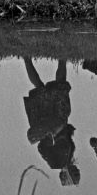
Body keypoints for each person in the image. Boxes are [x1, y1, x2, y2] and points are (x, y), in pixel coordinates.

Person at [22, 57, 78, 186]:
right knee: (41, 87)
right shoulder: (65, 159)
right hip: (50, 124)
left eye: (75, 174)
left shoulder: (57, 163)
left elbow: (43, 147)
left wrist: (51, 134)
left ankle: (61, 59)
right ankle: (27, 59)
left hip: (52, 124)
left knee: (58, 87)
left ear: (67, 175)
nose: (77, 170)